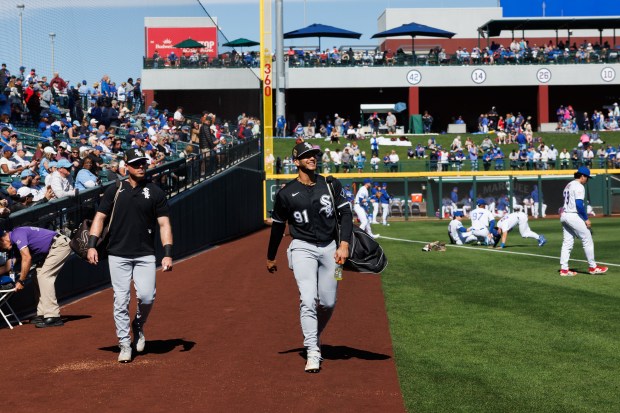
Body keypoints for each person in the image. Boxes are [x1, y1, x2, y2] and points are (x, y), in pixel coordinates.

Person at [266, 142, 352, 373]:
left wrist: (344, 244)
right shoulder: (285, 193)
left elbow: (345, 214)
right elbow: (277, 227)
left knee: (328, 302)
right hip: (302, 247)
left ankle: (314, 335)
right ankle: (313, 350)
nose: (312, 158)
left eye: (314, 155)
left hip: (331, 248)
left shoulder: (330, 184)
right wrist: (270, 256)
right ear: (297, 162)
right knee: (308, 299)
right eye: (306, 156)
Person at [87, 148, 173, 363]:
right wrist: (91, 245)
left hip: (145, 253)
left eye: (143, 162)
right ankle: (124, 342)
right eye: (136, 163)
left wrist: (168, 252)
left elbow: (164, 224)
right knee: (121, 300)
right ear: (126, 166)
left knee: (147, 297)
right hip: (118, 253)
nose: (141, 166)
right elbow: (99, 218)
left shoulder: (155, 192)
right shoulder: (114, 190)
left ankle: (138, 325)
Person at [0, 227, 72, 327]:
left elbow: (27, 258)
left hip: (59, 245)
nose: (1, 249)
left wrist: (21, 281)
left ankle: (53, 316)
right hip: (52, 248)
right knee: (36, 276)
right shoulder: (13, 244)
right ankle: (43, 314)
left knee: (44, 276)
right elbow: (8, 266)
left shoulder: (17, 234)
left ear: (2, 240)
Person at [559, 166, 608, 276]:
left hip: (564, 215)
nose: (587, 179)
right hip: (572, 215)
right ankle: (593, 267)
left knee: (567, 242)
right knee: (587, 239)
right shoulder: (579, 186)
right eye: (587, 177)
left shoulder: (569, 185)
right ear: (582, 176)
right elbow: (579, 205)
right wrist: (586, 219)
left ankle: (564, 269)